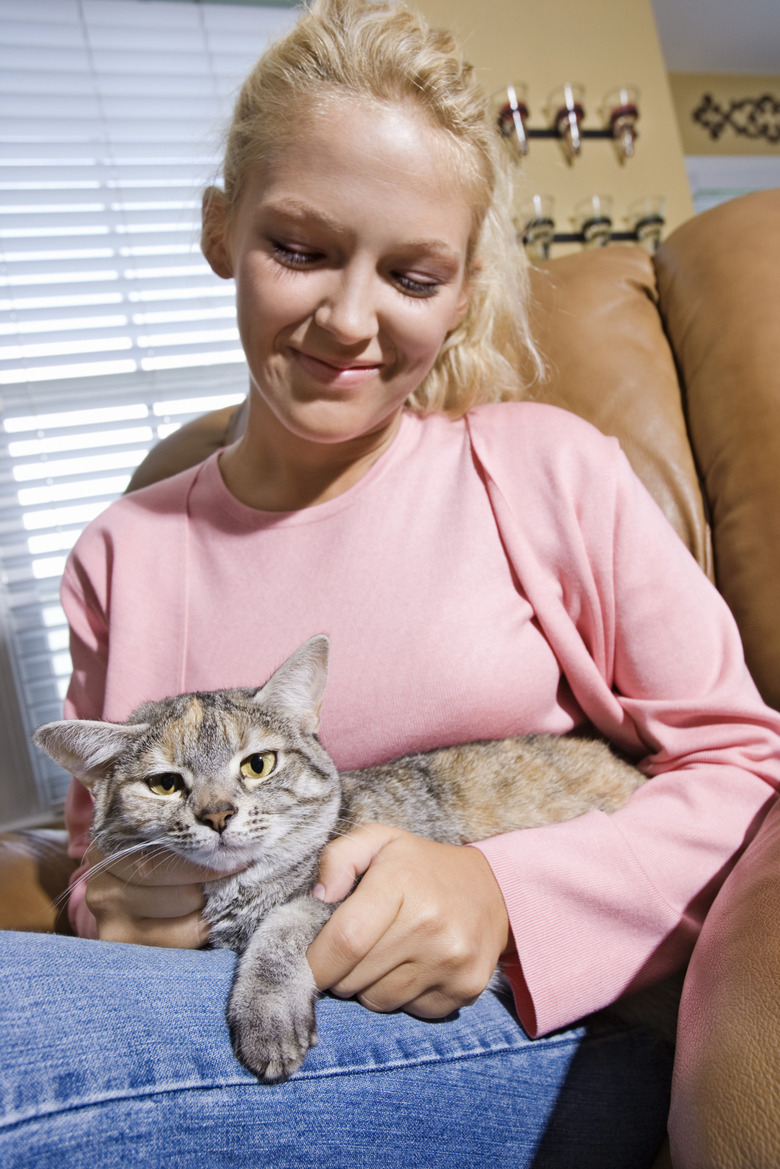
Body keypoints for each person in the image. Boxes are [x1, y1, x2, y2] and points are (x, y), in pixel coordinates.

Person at [1, 1, 779, 1164]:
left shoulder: (539, 466)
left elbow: (749, 764)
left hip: (551, 1011)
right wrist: (116, 911)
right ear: (222, 229)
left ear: (462, 290)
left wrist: (505, 890)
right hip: (240, 995)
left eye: (412, 274)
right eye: (300, 249)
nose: (348, 320)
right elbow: (104, 862)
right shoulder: (124, 549)